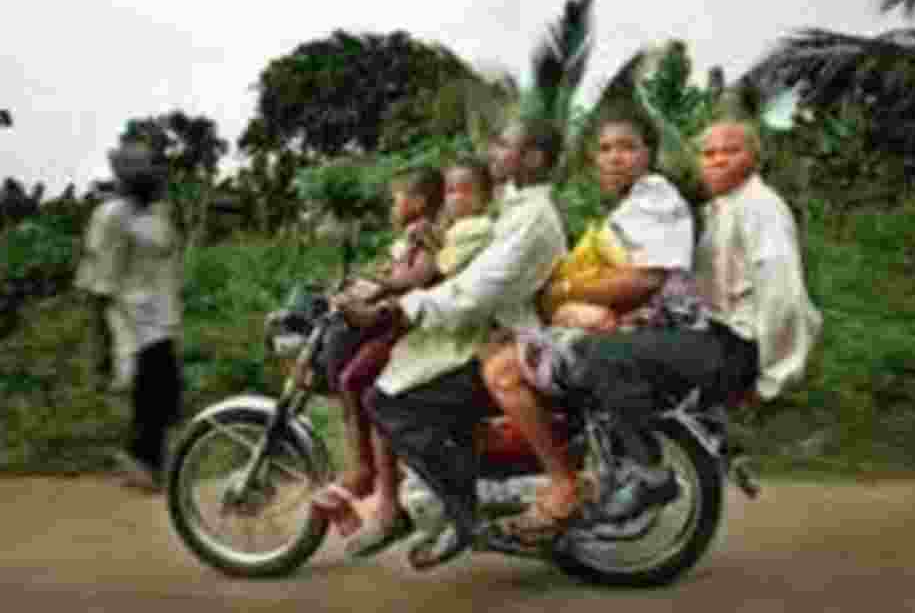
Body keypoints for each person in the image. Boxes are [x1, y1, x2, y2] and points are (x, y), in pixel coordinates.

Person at [560, 119, 823, 517]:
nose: (717, 161)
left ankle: (649, 474)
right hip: (714, 333)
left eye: (730, 152)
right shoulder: (720, 208)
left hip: (737, 345)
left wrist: (771, 378)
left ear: (754, 158)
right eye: (709, 153)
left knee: (603, 355)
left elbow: (784, 297)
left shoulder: (760, 208)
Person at [349, 118, 569, 570]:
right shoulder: (514, 207)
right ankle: (447, 493)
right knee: (396, 386)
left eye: (505, 144)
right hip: (484, 330)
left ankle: (463, 511)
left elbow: (475, 290)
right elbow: (462, 275)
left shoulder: (530, 218)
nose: (494, 151)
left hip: (500, 336)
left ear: (533, 159)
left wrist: (400, 308)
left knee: (388, 402)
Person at [483, 102, 698, 545]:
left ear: (649, 155)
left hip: (651, 326)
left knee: (502, 371)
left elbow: (646, 278)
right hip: (632, 322)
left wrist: (564, 294)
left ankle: (562, 483)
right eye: (605, 149)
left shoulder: (655, 198)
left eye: (627, 147)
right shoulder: (630, 204)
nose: (615, 157)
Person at [340, 156, 498, 558]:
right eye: (450, 191)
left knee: (380, 395)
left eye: (465, 191)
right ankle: (401, 496)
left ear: (486, 196)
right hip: (440, 326)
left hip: (457, 335)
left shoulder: (477, 229)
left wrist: (377, 291)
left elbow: (429, 273)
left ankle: (453, 499)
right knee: (377, 385)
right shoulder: (453, 230)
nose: (455, 199)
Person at [309, 167, 445, 538]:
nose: (391, 206)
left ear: (416, 202)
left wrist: (379, 286)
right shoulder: (410, 236)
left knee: (355, 380)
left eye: (395, 198)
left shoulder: (426, 232)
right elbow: (394, 270)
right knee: (351, 379)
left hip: (414, 328)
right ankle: (368, 470)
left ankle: (367, 471)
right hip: (401, 323)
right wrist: (363, 283)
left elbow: (419, 276)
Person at [75, 140, 183, 493]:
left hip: (163, 319)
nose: (154, 176)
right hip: (132, 322)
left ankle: (146, 465)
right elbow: (98, 283)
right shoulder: (111, 216)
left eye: (154, 168)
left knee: (165, 399)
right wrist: (100, 345)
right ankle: (144, 466)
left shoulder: (160, 213)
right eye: (146, 171)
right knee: (150, 396)